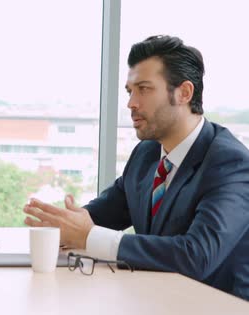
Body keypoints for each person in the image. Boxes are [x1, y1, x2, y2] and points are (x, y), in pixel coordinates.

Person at [24, 35, 249, 300]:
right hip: (158, 305)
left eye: (144, 89)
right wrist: (65, 226)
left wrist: (89, 236)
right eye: (130, 91)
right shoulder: (147, 153)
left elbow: (196, 255)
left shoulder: (231, 164)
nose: (131, 103)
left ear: (184, 93)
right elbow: (104, 214)